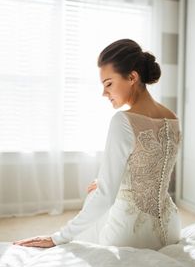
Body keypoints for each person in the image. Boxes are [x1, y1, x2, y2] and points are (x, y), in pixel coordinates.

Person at [13, 39, 182, 250]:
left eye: (108, 83)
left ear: (132, 77)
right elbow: (151, 170)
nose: (104, 93)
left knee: (95, 197)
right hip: (172, 228)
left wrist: (58, 237)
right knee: (98, 190)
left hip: (133, 235)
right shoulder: (172, 117)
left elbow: (106, 198)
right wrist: (106, 182)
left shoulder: (124, 121)